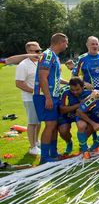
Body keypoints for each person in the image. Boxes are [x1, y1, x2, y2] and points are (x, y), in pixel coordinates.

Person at [33, 33, 69, 163]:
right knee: (50, 125)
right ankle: (45, 157)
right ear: (60, 42)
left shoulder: (54, 57)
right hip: (45, 96)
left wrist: (70, 83)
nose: (67, 45)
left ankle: (53, 153)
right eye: (66, 42)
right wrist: (48, 97)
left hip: (53, 95)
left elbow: (55, 78)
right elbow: (43, 77)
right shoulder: (47, 55)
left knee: (53, 124)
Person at [15, 41, 42, 155]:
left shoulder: (39, 63)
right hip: (30, 98)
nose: (38, 53)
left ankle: (36, 141)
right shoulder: (23, 65)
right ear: (28, 52)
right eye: (35, 51)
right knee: (32, 122)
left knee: (39, 121)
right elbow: (19, 83)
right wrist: (36, 92)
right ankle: (32, 147)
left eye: (39, 50)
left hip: (39, 97)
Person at [58, 77, 92, 155]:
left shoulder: (89, 92)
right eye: (72, 90)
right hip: (66, 115)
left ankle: (82, 143)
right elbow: (62, 110)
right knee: (63, 131)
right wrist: (80, 104)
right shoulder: (65, 92)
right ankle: (69, 142)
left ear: (83, 87)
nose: (75, 92)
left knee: (90, 126)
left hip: (81, 114)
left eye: (77, 90)